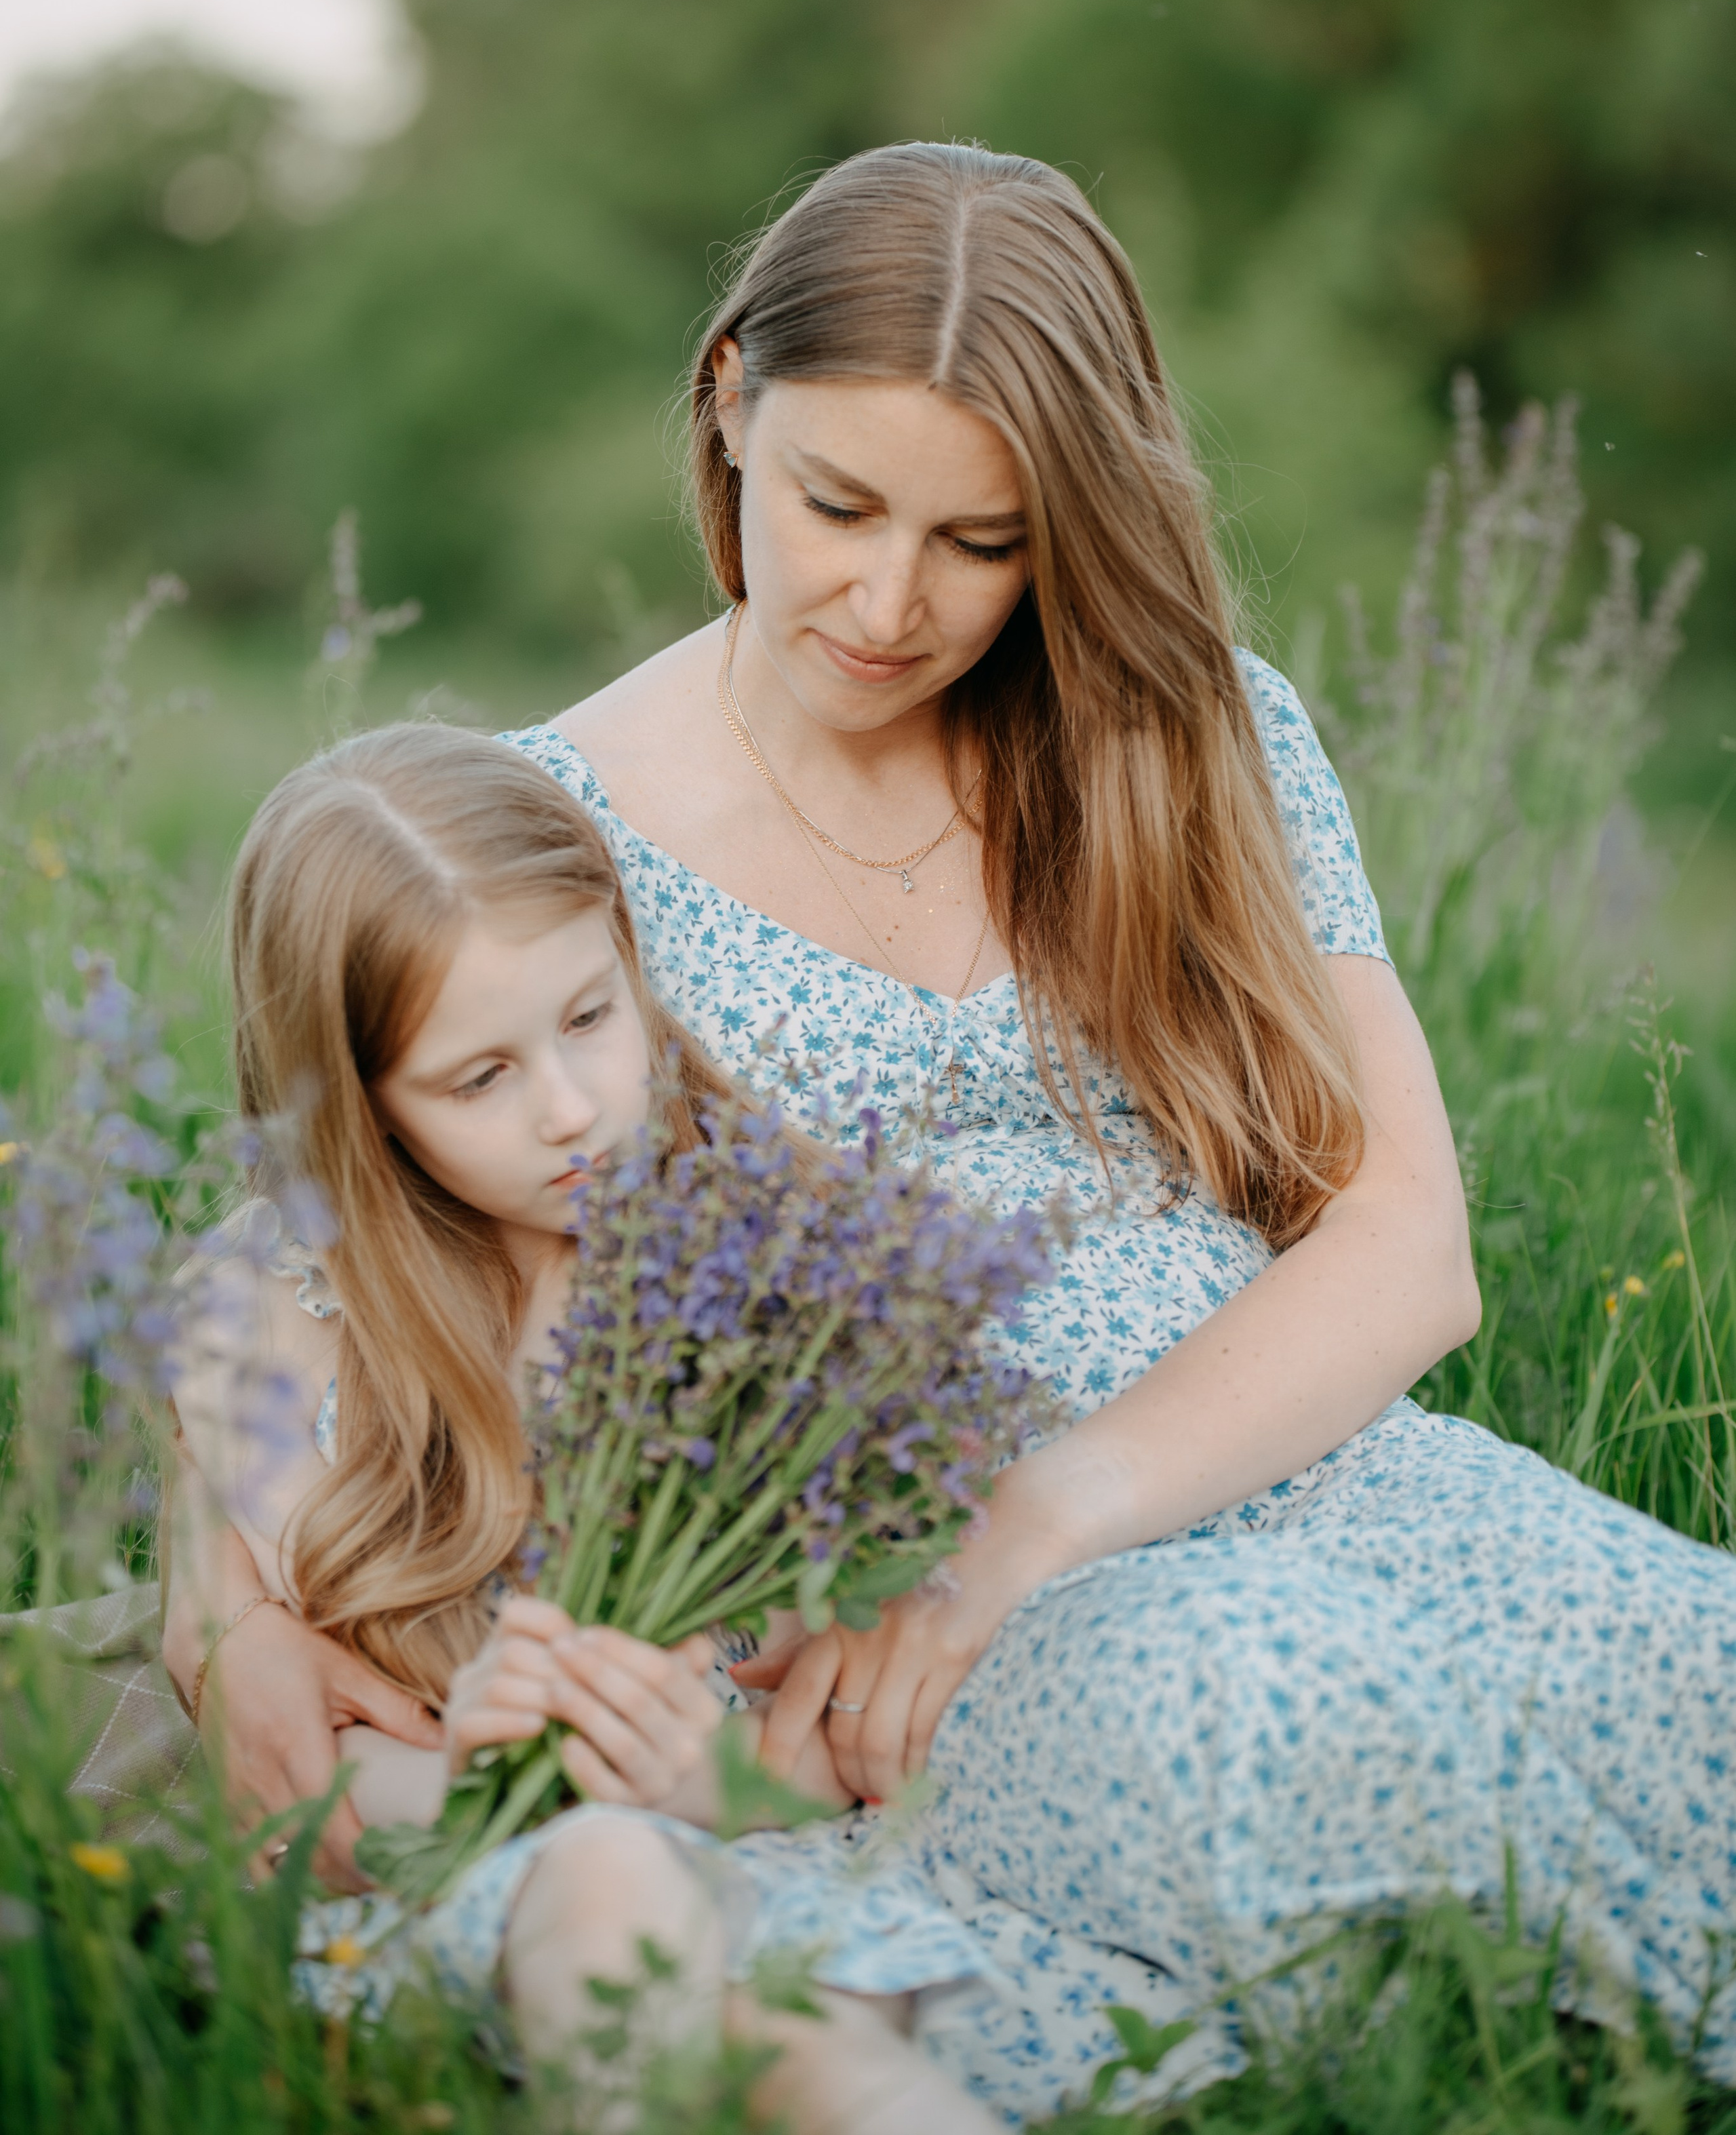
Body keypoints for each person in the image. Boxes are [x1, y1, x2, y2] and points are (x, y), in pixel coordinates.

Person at [172, 144, 1736, 2121]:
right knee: (1304, 1725)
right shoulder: (541, 836)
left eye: (985, 540)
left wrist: (1046, 1513)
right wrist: (217, 1584)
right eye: (837, 504)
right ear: (730, 398)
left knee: (1693, 1685)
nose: (892, 601)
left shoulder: (1182, 730)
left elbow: (1405, 1238)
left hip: (1327, 1481)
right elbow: (324, 1210)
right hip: (916, 1636)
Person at [167, 720, 1006, 2135]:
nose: (572, 1112)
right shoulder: (269, 1316)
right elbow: (306, 1780)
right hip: (469, 1882)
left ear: (632, 962)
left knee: (805, 2040)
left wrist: (701, 1778)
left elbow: (848, 1715)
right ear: (359, 1109)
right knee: (629, 1920)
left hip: (774, 1848)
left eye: (589, 1017)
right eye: (477, 1076)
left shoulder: (763, 1262)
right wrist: (502, 1774)